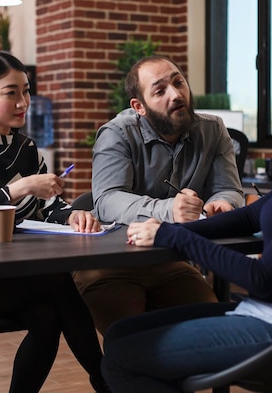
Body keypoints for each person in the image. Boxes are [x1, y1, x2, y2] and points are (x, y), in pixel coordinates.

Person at [101, 45, 272, 392]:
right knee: (121, 333)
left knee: (122, 358)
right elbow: (250, 215)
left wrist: (175, 237)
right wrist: (168, 227)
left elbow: (261, 278)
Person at [0, 51, 110, 393]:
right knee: (56, 282)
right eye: (10, 92)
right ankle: (105, 381)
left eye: (26, 91)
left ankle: (103, 380)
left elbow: (50, 209)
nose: (22, 102)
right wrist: (20, 187)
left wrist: (73, 214)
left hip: (12, 275)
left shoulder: (28, 149)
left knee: (47, 317)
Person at [73, 55, 244, 334]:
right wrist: (169, 210)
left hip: (169, 261)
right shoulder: (117, 133)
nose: (176, 94)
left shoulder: (213, 130)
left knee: (210, 332)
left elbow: (228, 188)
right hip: (109, 263)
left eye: (179, 83)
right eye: (160, 90)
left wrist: (221, 203)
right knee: (131, 339)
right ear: (139, 106)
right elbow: (106, 200)